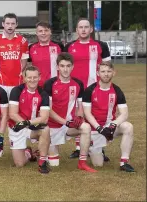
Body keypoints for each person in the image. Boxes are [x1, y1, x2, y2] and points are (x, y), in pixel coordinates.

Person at [64, 18, 112, 159]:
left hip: (95, 88)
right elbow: (64, 66)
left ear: (91, 29)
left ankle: (99, 148)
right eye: (80, 27)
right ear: (76, 30)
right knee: (78, 117)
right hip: (77, 87)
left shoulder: (101, 45)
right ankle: (79, 148)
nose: (83, 30)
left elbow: (107, 68)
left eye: (86, 27)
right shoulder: (69, 47)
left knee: (97, 117)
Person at [43, 52, 96, 172]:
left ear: (72, 67)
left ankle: (82, 162)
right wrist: (66, 122)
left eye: (68, 66)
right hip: (52, 126)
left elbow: (80, 105)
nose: (65, 69)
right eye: (62, 66)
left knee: (86, 128)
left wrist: (79, 116)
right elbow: (48, 110)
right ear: (57, 67)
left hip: (68, 126)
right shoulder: (50, 84)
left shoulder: (78, 83)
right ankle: (39, 152)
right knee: (54, 163)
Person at [0, 13, 29, 158]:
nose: (10, 26)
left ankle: (20, 145)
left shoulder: (23, 41)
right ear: (3, 24)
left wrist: (17, 75)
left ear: (16, 24)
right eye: (8, 23)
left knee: (16, 116)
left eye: (13, 23)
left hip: (16, 84)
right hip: (0, 84)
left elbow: (23, 64)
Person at [82, 62, 134, 172]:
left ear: (114, 73)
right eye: (103, 71)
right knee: (98, 164)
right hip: (95, 129)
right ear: (98, 73)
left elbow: (124, 113)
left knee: (128, 127)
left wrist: (112, 125)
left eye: (109, 71)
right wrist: (99, 128)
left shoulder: (117, 90)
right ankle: (94, 149)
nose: (106, 74)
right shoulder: (90, 90)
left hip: (110, 127)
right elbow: (87, 113)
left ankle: (124, 162)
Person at [7, 66, 51, 174]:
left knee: (45, 129)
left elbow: (44, 118)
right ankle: (29, 153)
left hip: (31, 126)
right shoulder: (16, 90)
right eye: (29, 77)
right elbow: (12, 114)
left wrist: (28, 123)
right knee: (19, 164)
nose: (32, 80)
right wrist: (24, 123)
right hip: (16, 127)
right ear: (24, 78)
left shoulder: (43, 94)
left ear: (39, 77)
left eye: (35, 77)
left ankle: (42, 162)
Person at [27, 22, 64, 87]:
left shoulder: (59, 46)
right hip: (37, 85)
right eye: (40, 31)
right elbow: (28, 66)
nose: (43, 33)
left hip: (56, 85)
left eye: (46, 30)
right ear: (37, 33)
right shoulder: (31, 48)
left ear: (50, 32)